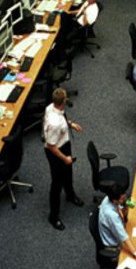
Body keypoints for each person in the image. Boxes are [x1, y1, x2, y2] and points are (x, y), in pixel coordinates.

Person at [42, 88, 84, 230]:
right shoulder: (55, 124)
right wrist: (64, 159)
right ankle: (53, 216)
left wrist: (71, 124)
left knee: (68, 173)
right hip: (56, 152)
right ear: (64, 101)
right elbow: (50, 146)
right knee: (57, 183)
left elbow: (62, 118)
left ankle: (70, 195)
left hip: (64, 145)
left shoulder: (51, 107)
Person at [98, 185, 136, 266]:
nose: (124, 198)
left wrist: (125, 205)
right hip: (114, 245)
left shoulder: (109, 198)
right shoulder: (111, 215)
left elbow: (122, 211)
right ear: (115, 200)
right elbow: (123, 237)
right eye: (122, 198)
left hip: (118, 230)